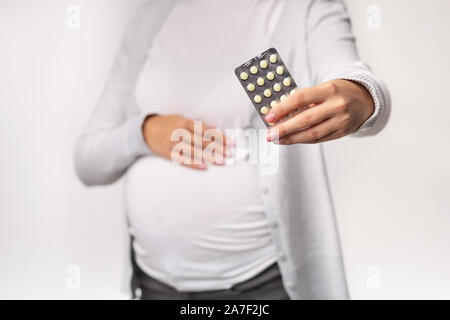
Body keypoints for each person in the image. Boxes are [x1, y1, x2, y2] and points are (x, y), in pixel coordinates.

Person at [74, 0, 390, 300]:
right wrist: (142, 132)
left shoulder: (301, 9)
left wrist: (362, 97)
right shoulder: (152, 17)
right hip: (152, 285)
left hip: (260, 288)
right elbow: (87, 161)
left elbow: (353, 78)